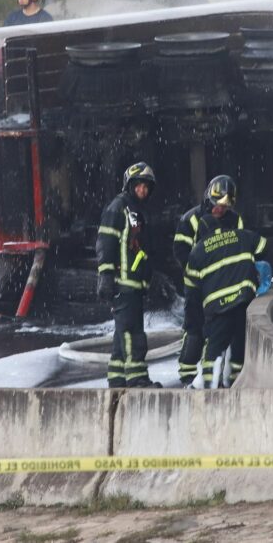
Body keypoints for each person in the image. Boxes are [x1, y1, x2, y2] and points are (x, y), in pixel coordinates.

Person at [183, 195, 268, 389]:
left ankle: (209, 389)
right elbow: (264, 246)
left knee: (213, 350)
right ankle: (234, 383)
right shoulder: (241, 235)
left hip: (218, 309)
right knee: (239, 347)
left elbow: (191, 289)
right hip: (243, 303)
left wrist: (195, 321)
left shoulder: (198, 251)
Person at [96, 162, 161, 388]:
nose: (143, 191)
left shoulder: (138, 213)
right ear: (130, 185)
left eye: (146, 187)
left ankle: (117, 378)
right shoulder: (118, 207)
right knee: (131, 332)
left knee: (122, 333)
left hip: (134, 283)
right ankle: (137, 379)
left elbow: (141, 248)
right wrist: (106, 276)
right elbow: (106, 241)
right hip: (122, 283)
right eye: (139, 186)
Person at [175, 175, 244, 387]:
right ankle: (187, 375)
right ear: (208, 198)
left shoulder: (235, 220)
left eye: (225, 206)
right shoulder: (191, 220)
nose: (220, 210)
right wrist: (200, 275)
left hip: (224, 287)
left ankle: (220, 377)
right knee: (195, 329)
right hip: (197, 287)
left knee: (224, 331)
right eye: (217, 204)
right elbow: (181, 253)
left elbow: (240, 249)